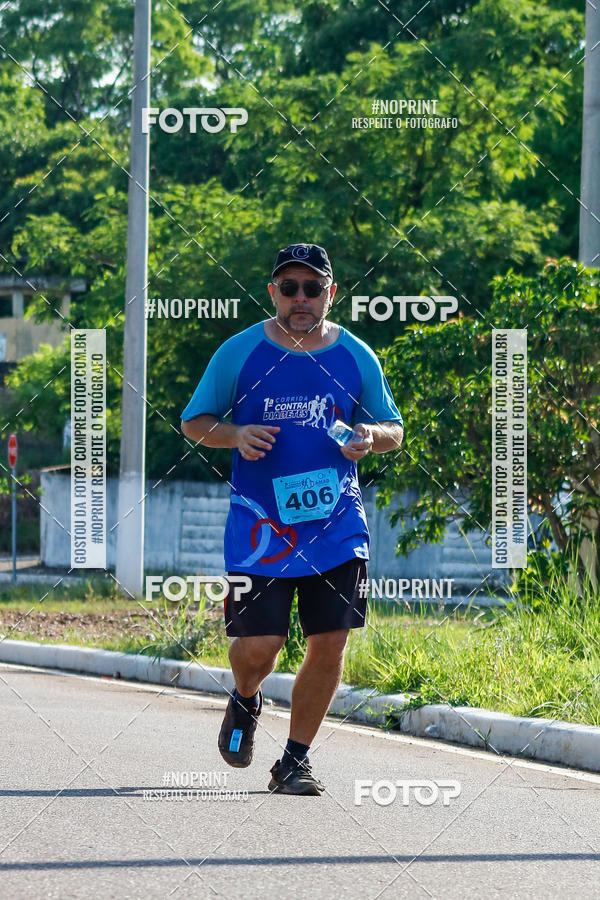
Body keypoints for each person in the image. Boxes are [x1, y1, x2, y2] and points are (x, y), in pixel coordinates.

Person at [181, 242, 403, 796]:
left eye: (312, 288)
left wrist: (368, 437)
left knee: (330, 641)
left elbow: (394, 429)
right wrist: (233, 434)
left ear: (331, 293)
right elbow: (194, 421)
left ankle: (295, 760)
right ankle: (246, 696)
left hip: (336, 528)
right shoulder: (239, 353)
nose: (300, 299)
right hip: (261, 532)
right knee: (261, 649)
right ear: (273, 293)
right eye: (290, 288)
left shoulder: (357, 355)